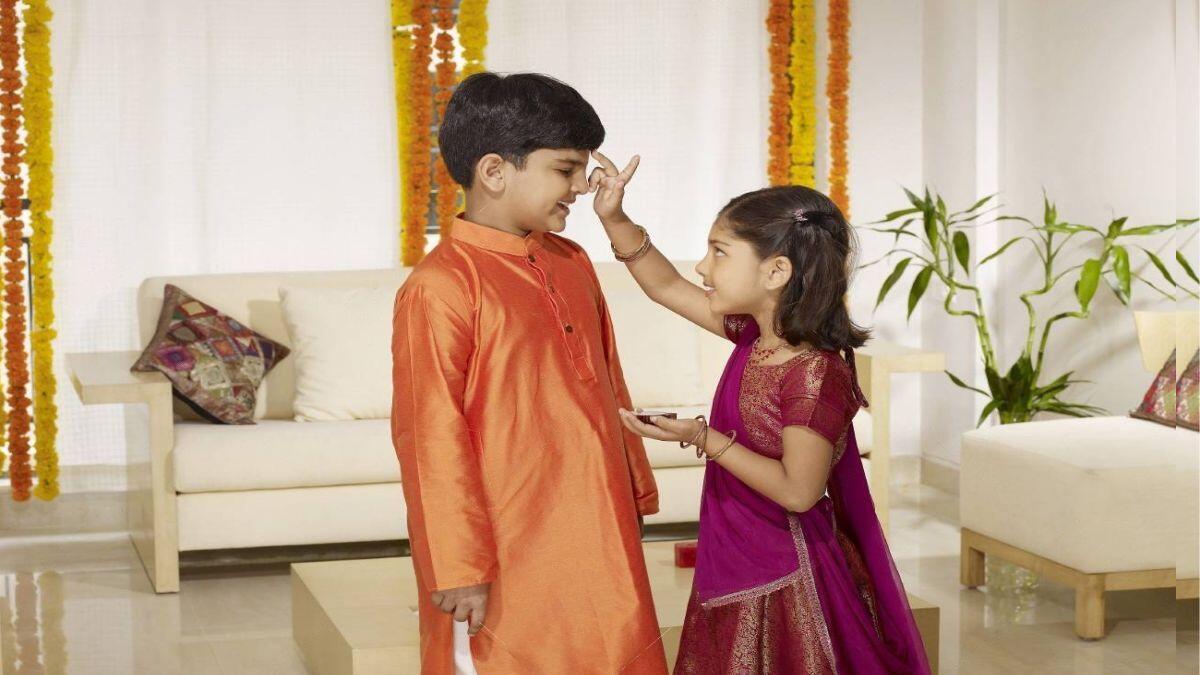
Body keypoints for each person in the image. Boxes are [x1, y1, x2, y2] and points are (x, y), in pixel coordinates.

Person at [591, 153, 931, 674]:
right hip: (736, 561)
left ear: (776, 271)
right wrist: (614, 217)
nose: (702, 267)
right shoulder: (755, 337)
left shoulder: (812, 373)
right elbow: (665, 287)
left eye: (719, 252)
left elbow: (798, 491)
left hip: (788, 584)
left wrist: (702, 437)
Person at [391, 73, 668, 675]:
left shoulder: (570, 261)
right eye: (565, 170)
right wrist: (458, 565)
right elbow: (430, 438)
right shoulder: (441, 287)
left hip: (596, 523)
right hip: (507, 541)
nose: (581, 187)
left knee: (616, 652)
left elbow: (608, 381)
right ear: (494, 171)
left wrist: (632, 490)